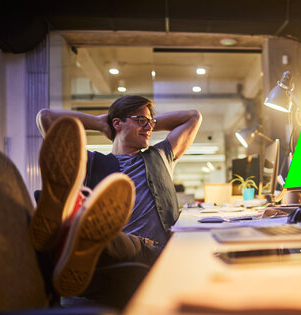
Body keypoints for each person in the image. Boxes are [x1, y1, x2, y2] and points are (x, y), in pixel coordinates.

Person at [31, 95, 201, 297]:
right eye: (141, 120)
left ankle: (66, 231)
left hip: (152, 252)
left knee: (103, 240)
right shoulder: (92, 161)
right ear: (117, 123)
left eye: (151, 122)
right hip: (104, 263)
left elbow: (193, 117)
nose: (148, 127)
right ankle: (67, 234)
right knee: (100, 242)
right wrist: (99, 123)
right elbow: (47, 118)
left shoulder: (161, 156)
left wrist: (144, 123)